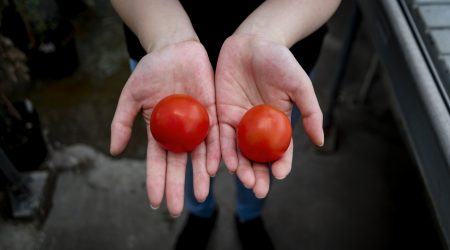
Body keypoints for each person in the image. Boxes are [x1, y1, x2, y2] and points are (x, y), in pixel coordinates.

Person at [110, 0, 341, 249]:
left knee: (257, 166)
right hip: (163, 56)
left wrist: (270, 34)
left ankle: (249, 216)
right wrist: (165, 36)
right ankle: (200, 213)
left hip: (274, 66)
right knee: (189, 162)